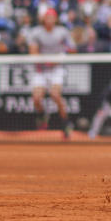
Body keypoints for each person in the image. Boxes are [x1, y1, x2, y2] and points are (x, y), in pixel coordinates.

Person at [28, 8, 76, 137]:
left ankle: (66, 123)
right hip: (40, 70)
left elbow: (72, 48)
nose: (49, 20)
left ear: (55, 19)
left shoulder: (62, 32)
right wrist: (45, 61)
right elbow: (33, 52)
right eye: (47, 17)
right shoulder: (36, 32)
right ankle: (42, 115)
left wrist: (60, 57)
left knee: (55, 95)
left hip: (57, 69)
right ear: (43, 19)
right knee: (37, 99)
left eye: (52, 17)